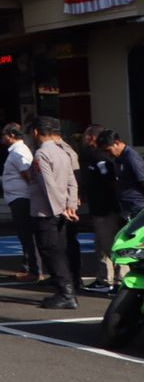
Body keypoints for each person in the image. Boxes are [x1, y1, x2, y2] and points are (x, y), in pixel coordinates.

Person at [27, 117, 82, 310]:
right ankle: (66, 291)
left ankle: (65, 294)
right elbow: (71, 181)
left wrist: (60, 210)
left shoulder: (42, 154)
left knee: (51, 251)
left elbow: (47, 186)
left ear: (36, 132)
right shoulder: (62, 152)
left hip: (47, 212)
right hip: (61, 211)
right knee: (59, 251)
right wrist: (71, 206)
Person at [80, 125, 122, 293]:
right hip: (99, 209)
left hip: (107, 209)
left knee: (111, 246)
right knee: (101, 246)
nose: (82, 138)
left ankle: (119, 282)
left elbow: (111, 182)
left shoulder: (101, 157)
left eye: (85, 135)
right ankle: (104, 279)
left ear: (92, 137)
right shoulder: (93, 157)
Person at [1, 124, 40, 282]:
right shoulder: (16, 151)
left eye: (3, 135)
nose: (1, 138)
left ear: (11, 135)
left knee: (27, 235)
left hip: (22, 198)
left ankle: (33, 270)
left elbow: (27, 174)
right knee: (24, 235)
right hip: (17, 198)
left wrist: (30, 190)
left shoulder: (19, 151)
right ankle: (28, 266)